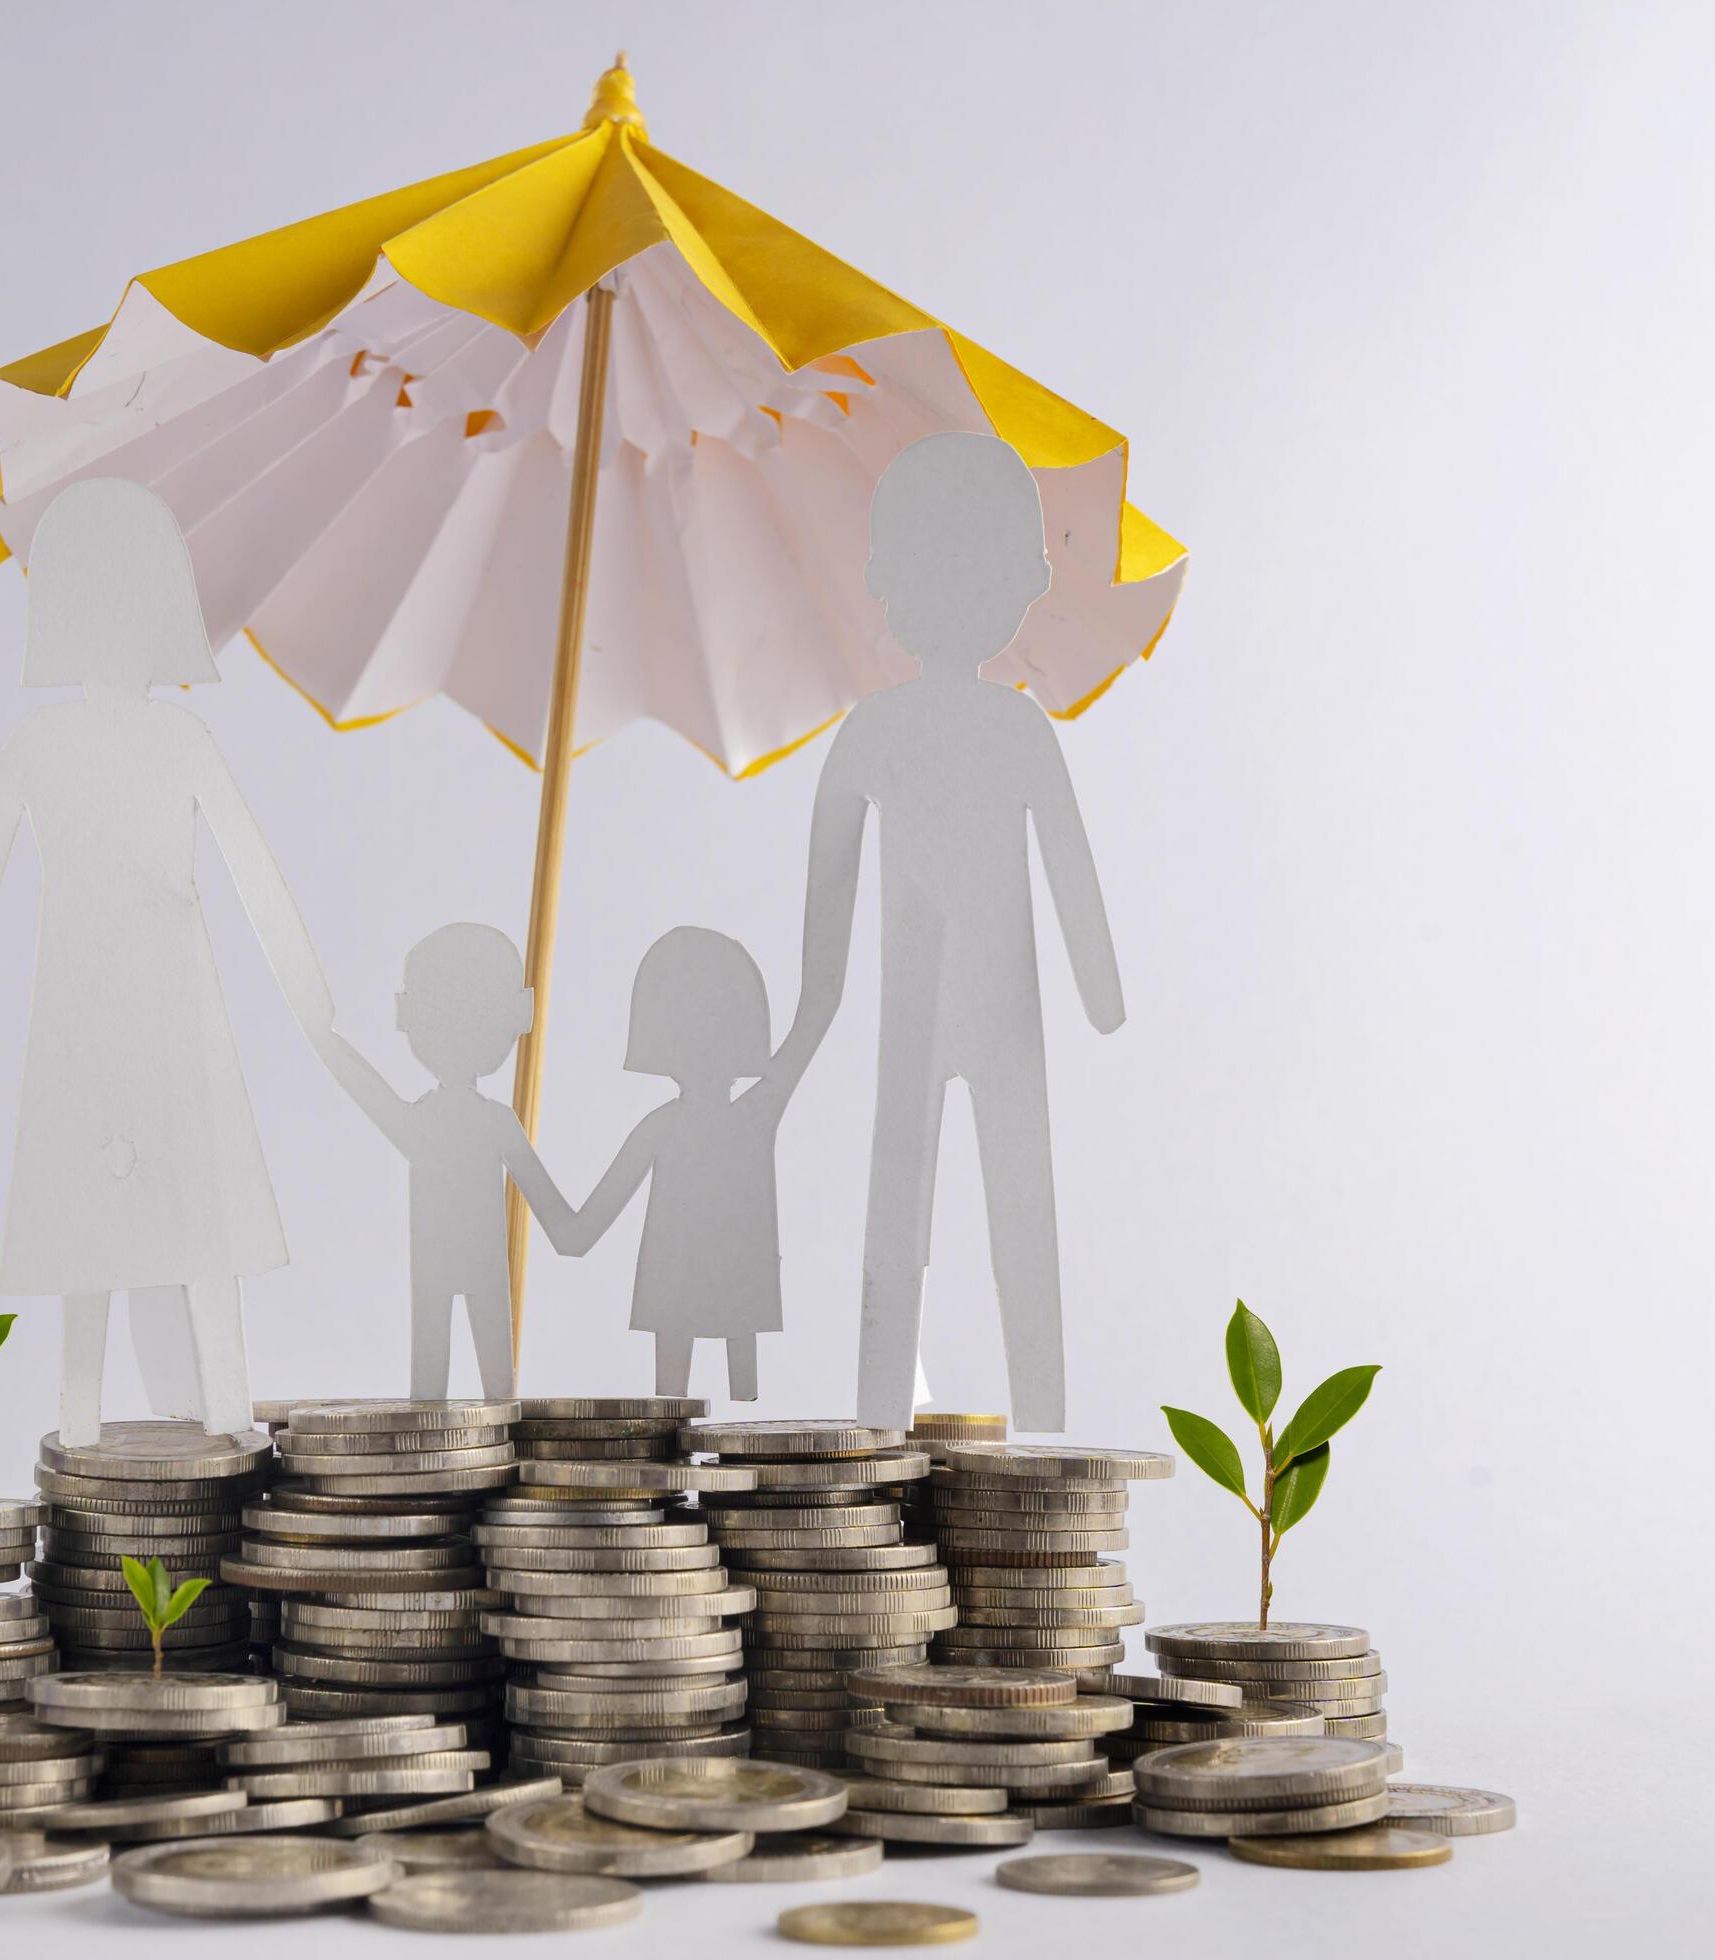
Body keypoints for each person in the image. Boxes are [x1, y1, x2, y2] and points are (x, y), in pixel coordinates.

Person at [0, 478, 332, 1442]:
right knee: (180, 1218)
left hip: (104, 1002)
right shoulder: (165, 736)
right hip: (142, 1000)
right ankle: (181, 1407)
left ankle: (102, 1411)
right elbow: (253, 873)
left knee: (97, 1224)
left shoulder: (43, 744)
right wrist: (308, 992)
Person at [785, 432, 1128, 1432]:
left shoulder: (960, 729)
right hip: (929, 1011)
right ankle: (892, 1413)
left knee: (1005, 1208)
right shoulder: (910, 730)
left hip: (980, 1010)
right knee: (919, 1213)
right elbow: (835, 880)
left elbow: (1065, 865)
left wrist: (1101, 992)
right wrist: (1102, 993)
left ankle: (1033, 1412)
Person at [311, 923, 581, 1399]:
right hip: (459, 1270)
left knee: (473, 1394)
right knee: (452, 1393)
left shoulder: (444, 1122)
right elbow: (564, 1226)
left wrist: (326, 1038)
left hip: (459, 1270)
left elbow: (563, 1226)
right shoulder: (471, 1121)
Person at [564, 926, 810, 1401]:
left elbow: (579, 1231)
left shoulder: (730, 1119)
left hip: (700, 1293)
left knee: (731, 1407)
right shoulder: (744, 1117)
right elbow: (578, 1233)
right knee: (678, 1404)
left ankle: (736, 1431)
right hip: (688, 1293)